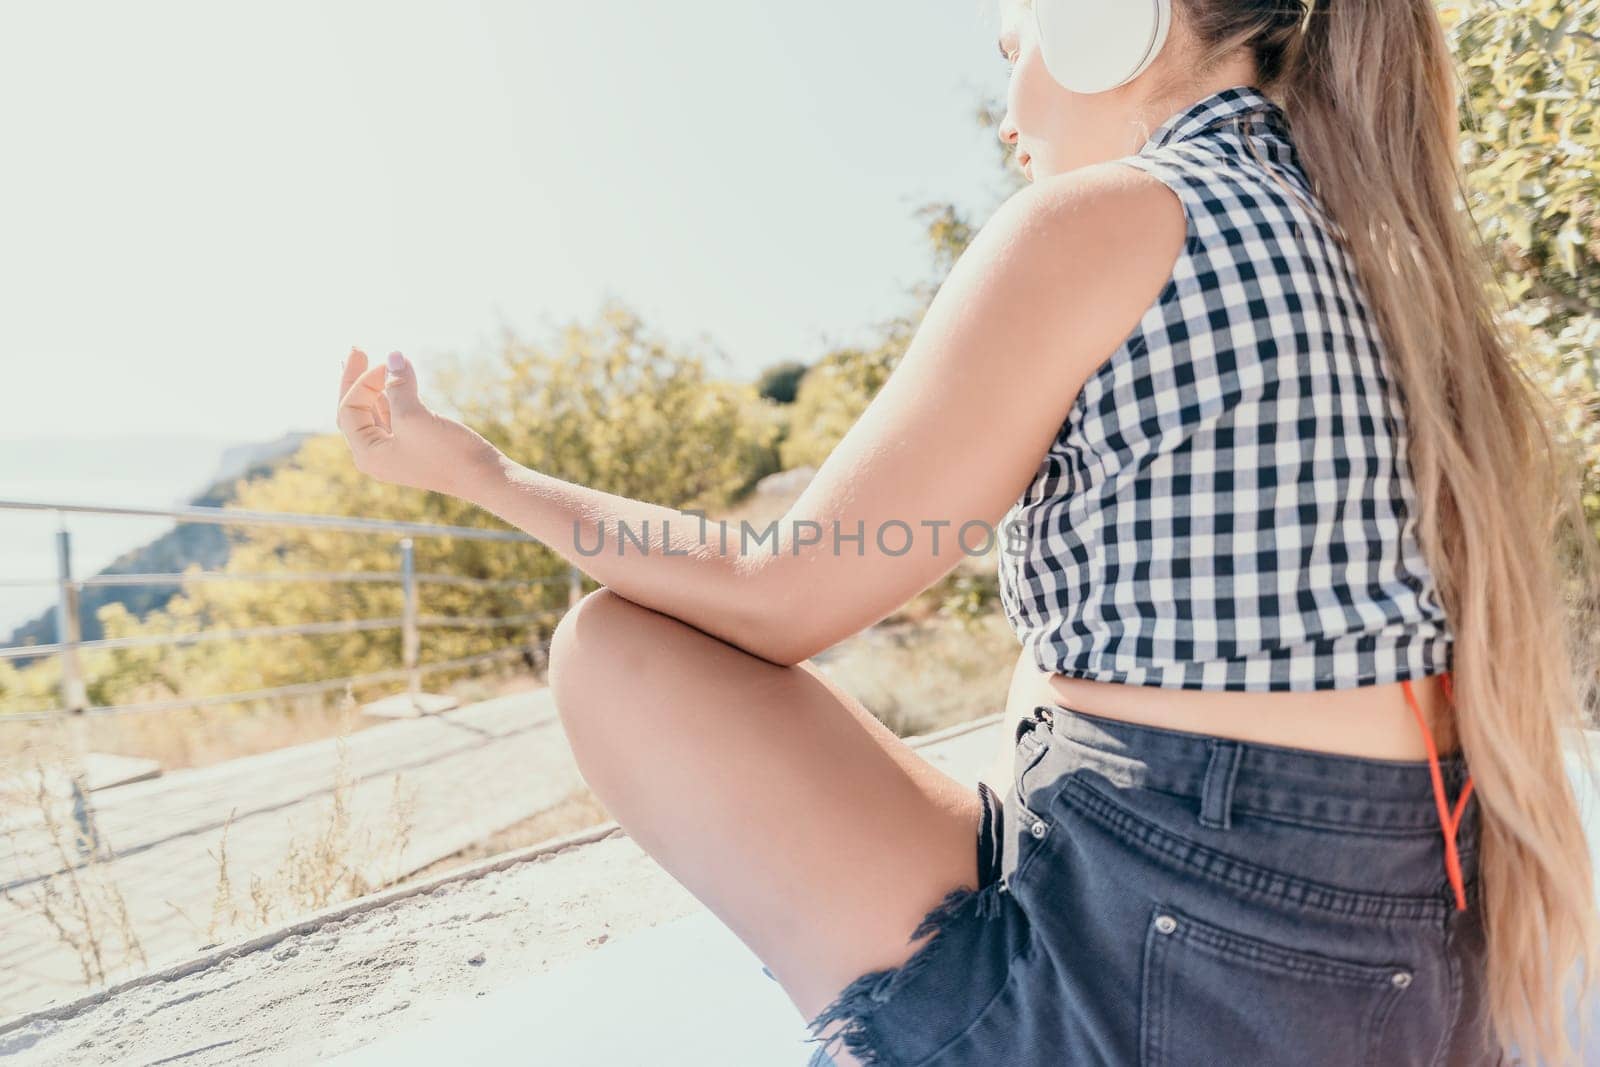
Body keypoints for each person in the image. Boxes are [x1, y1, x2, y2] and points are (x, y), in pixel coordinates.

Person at [334, 0, 1600, 1063]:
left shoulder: (1110, 218)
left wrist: (482, 470)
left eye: (1015, 53)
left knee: (619, 655)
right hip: (1402, 933)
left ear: (1113, 23)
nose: (1009, 115)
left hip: (1207, 956)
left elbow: (782, 591)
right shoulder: (1377, 249)